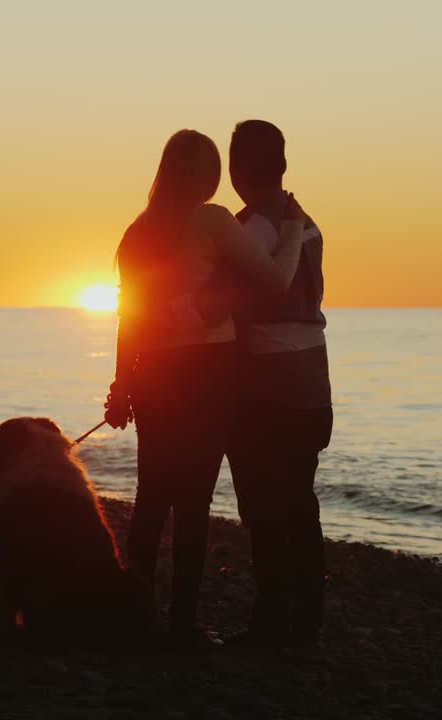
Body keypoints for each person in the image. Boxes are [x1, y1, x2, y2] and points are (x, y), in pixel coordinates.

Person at [103, 128, 308, 648]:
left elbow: (129, 319)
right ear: (208, 174)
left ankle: (135, 615)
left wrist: (122, 383)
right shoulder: (213, 219)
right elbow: (276, 280)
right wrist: (293, 229)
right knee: (193, 502)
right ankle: (181, 625)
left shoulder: (137, 232)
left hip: (153, 374)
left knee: (152, 496)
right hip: (207, 374)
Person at [190, 120, 332, 647]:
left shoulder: (249, 230)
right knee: (300, 501)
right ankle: (307, 621)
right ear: (283, 165)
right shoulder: (306, 223)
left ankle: (271, 623)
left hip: (267, 388)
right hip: (314, 382)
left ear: (234, 169)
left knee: (265, 507)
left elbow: (213, 307)